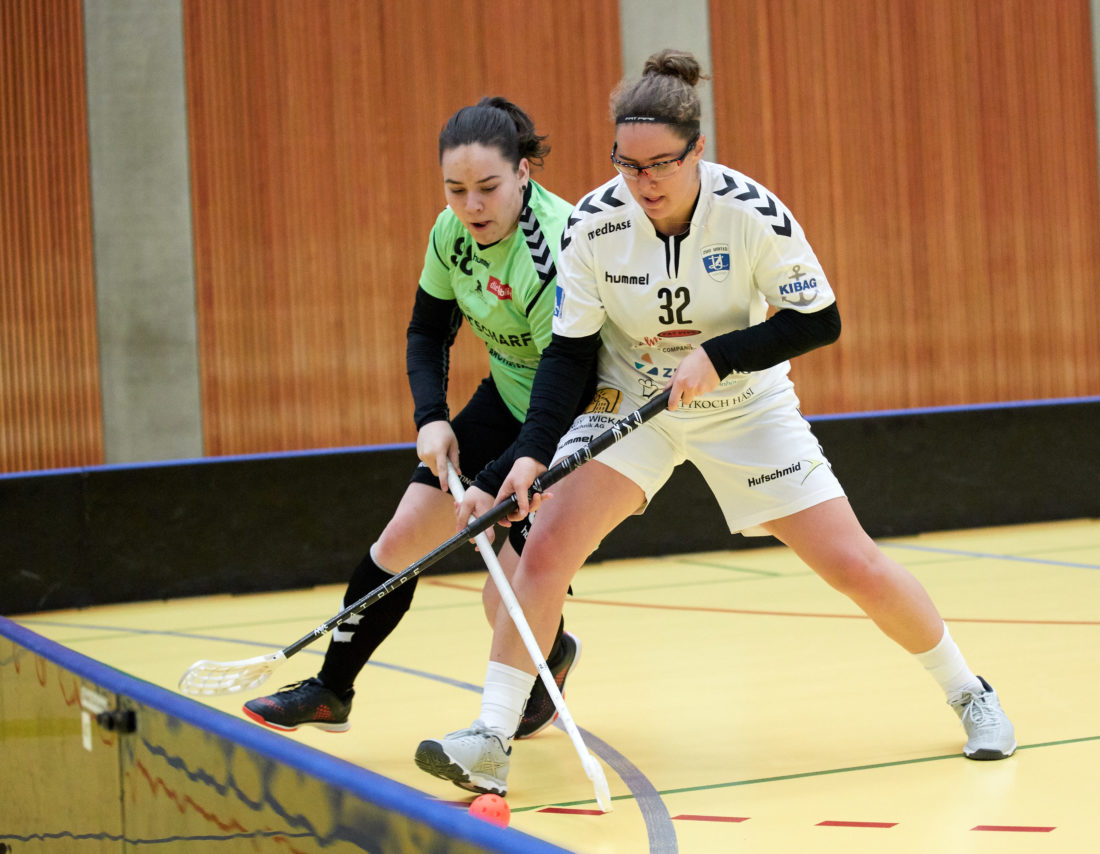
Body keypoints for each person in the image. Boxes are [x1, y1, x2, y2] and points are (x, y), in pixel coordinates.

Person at [413, 51, 1017, 798]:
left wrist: (720, 356)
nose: (644, 183)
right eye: (628, 165)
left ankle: (970, 694)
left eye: (661, 164)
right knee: (542, 557)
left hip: (744, 409)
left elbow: (819, 320)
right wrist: (532, 456)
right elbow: (567, 358)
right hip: (632, 402)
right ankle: (491, 737)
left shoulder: (753, 213)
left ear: (698, 150)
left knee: (853, 564)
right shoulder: (594, 227)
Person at [243, 97, 593, 740]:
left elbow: (564, 384)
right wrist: (431, 417)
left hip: (569, 422)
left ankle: (554, 654)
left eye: (488, 188)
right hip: (508, 396)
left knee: (503, 600)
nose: (472, 207)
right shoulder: (449, 233)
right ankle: (331, 690)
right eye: (455, 190)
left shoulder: (560, 247)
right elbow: (427, 331)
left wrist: (493, 475)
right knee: (403, 537)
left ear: (524, 173)